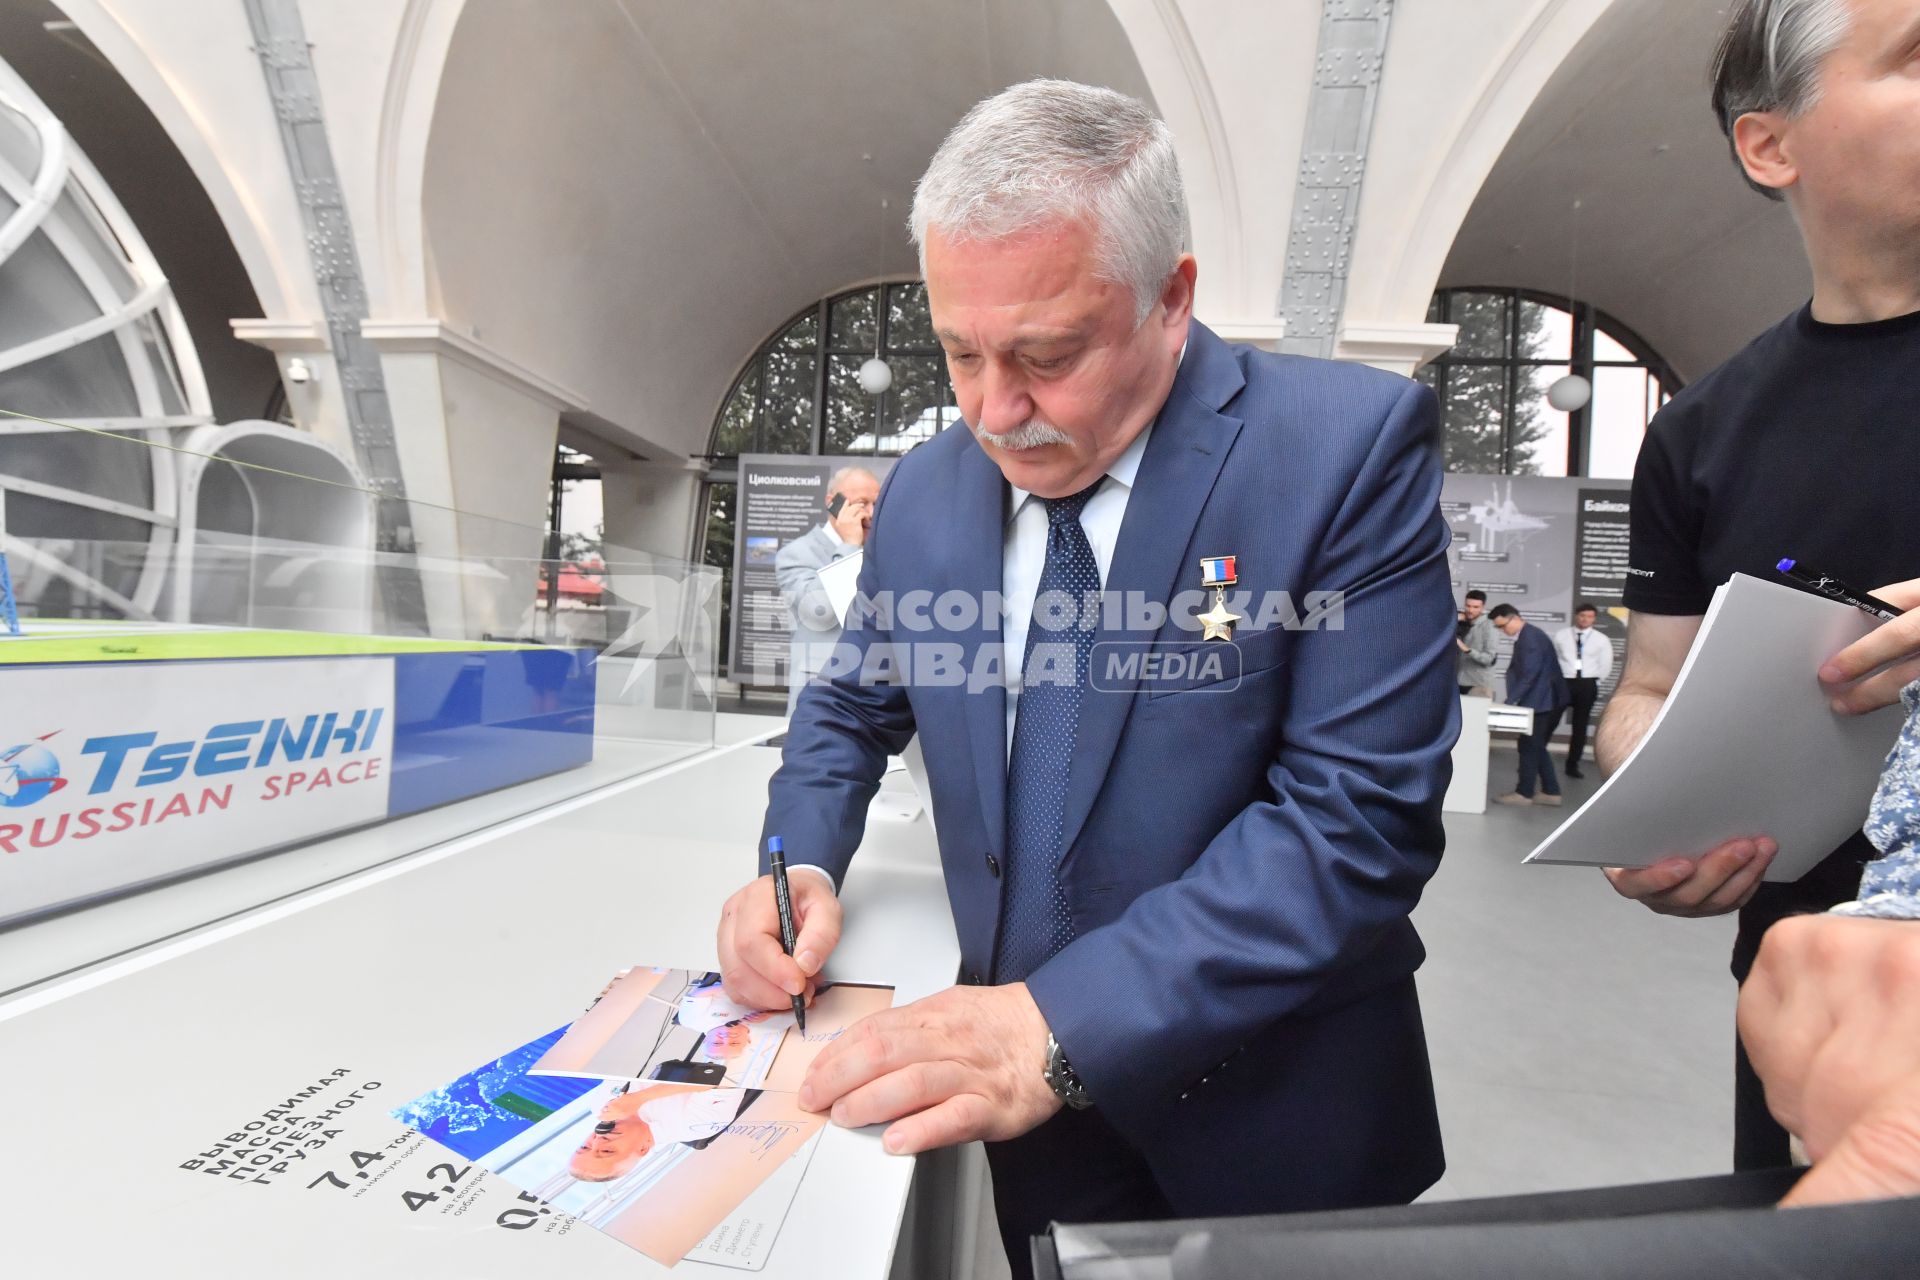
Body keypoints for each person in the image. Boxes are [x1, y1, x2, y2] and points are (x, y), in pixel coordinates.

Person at [713, 80, 1457, 1279]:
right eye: (960, 351)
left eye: (1049, 355)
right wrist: (795, 858)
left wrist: (1053, 1028)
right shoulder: (929, 489)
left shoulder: (1339, 451)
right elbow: (854, 703)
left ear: (1173, 298)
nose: (996, 412)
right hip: (1042, 1139)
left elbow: (1355, 823)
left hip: (1276, 1115)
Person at [1594, 0, 1920, 1172]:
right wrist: (1658, 804)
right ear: (1772, 145)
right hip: (1817, 1008)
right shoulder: (1700, 435)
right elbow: (1647, 687)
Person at [774, 466, 879, 714]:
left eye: (876, 503)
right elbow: (818, 610)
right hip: (821, 694)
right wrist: (849, 546)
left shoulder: (878, 552)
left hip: (872, 695)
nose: (872, 513)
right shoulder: (796, 555)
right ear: (833, 503)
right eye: (863, 503)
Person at [568, 1084, 754, 1181]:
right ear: (643, 1149)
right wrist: (641, 1098)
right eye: (607, 1151)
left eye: (585, 1146)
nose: (597, 1142)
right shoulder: (696, 1126)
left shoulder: (598, 1107)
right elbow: (728, 1079)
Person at [1489, 604, 1568, 807]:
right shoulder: (1529, 635)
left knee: (1529, 747)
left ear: (1514, 618)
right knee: (1535, 746)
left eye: (1502, 626)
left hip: (1541, 701)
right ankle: (1551, 791)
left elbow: (1529, 676)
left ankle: (1524, 793)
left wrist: (1510, 701)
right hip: (1542, 700)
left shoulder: (1529, 638)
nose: (1502, 631)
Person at [1553, 602, 1613, 778]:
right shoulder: (1561, 635)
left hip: (1587, 684)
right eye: (1582, 616)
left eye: (1589, 616)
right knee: (1551, 720)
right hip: (1565, 681)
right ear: (1576, 616)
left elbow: (1606, 665)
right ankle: (1537, 757)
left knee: (1580, 727)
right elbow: (1554, 659)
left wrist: (1595, 682)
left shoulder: (1601, 639)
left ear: (1594, 618)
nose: (1585, 619)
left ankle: (1572, 765)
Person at [1457, 589, 1497, 696]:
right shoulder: (1458, 620)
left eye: (1475, 607)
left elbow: (1489, 659)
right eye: (1468, 606)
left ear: (1483, 607)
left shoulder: (1490, 625)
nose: (1470, 610)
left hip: (1478, 685)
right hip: (1455, 683)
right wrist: (1453, 620)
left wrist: (1467, 649)